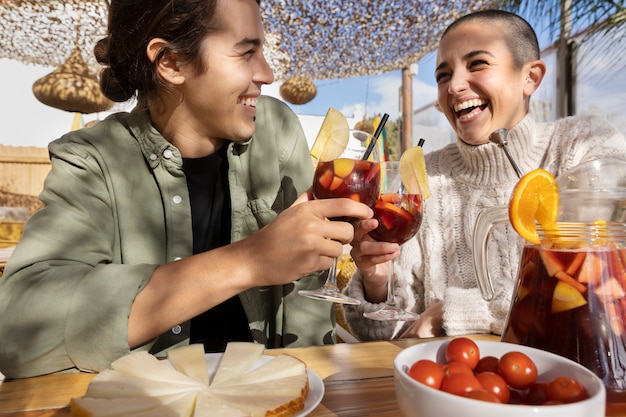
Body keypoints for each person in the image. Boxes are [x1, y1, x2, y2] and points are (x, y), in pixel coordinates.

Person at [0, 0, 373, 379]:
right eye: (247, 52)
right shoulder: (93, 160)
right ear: (171, 63)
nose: (267, 72)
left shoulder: (276, 131)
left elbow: (306, 305)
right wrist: (248, 262)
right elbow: (18, 329)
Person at [343, 9, 626, 340]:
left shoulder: (584, 145)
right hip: (453, 383)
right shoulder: (422, 176)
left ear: (530, 77)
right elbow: (385, 337)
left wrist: (455, 313)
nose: (455, 86)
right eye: (443, 75)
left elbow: (597, 287)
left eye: (477, 64)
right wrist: (378, 284)